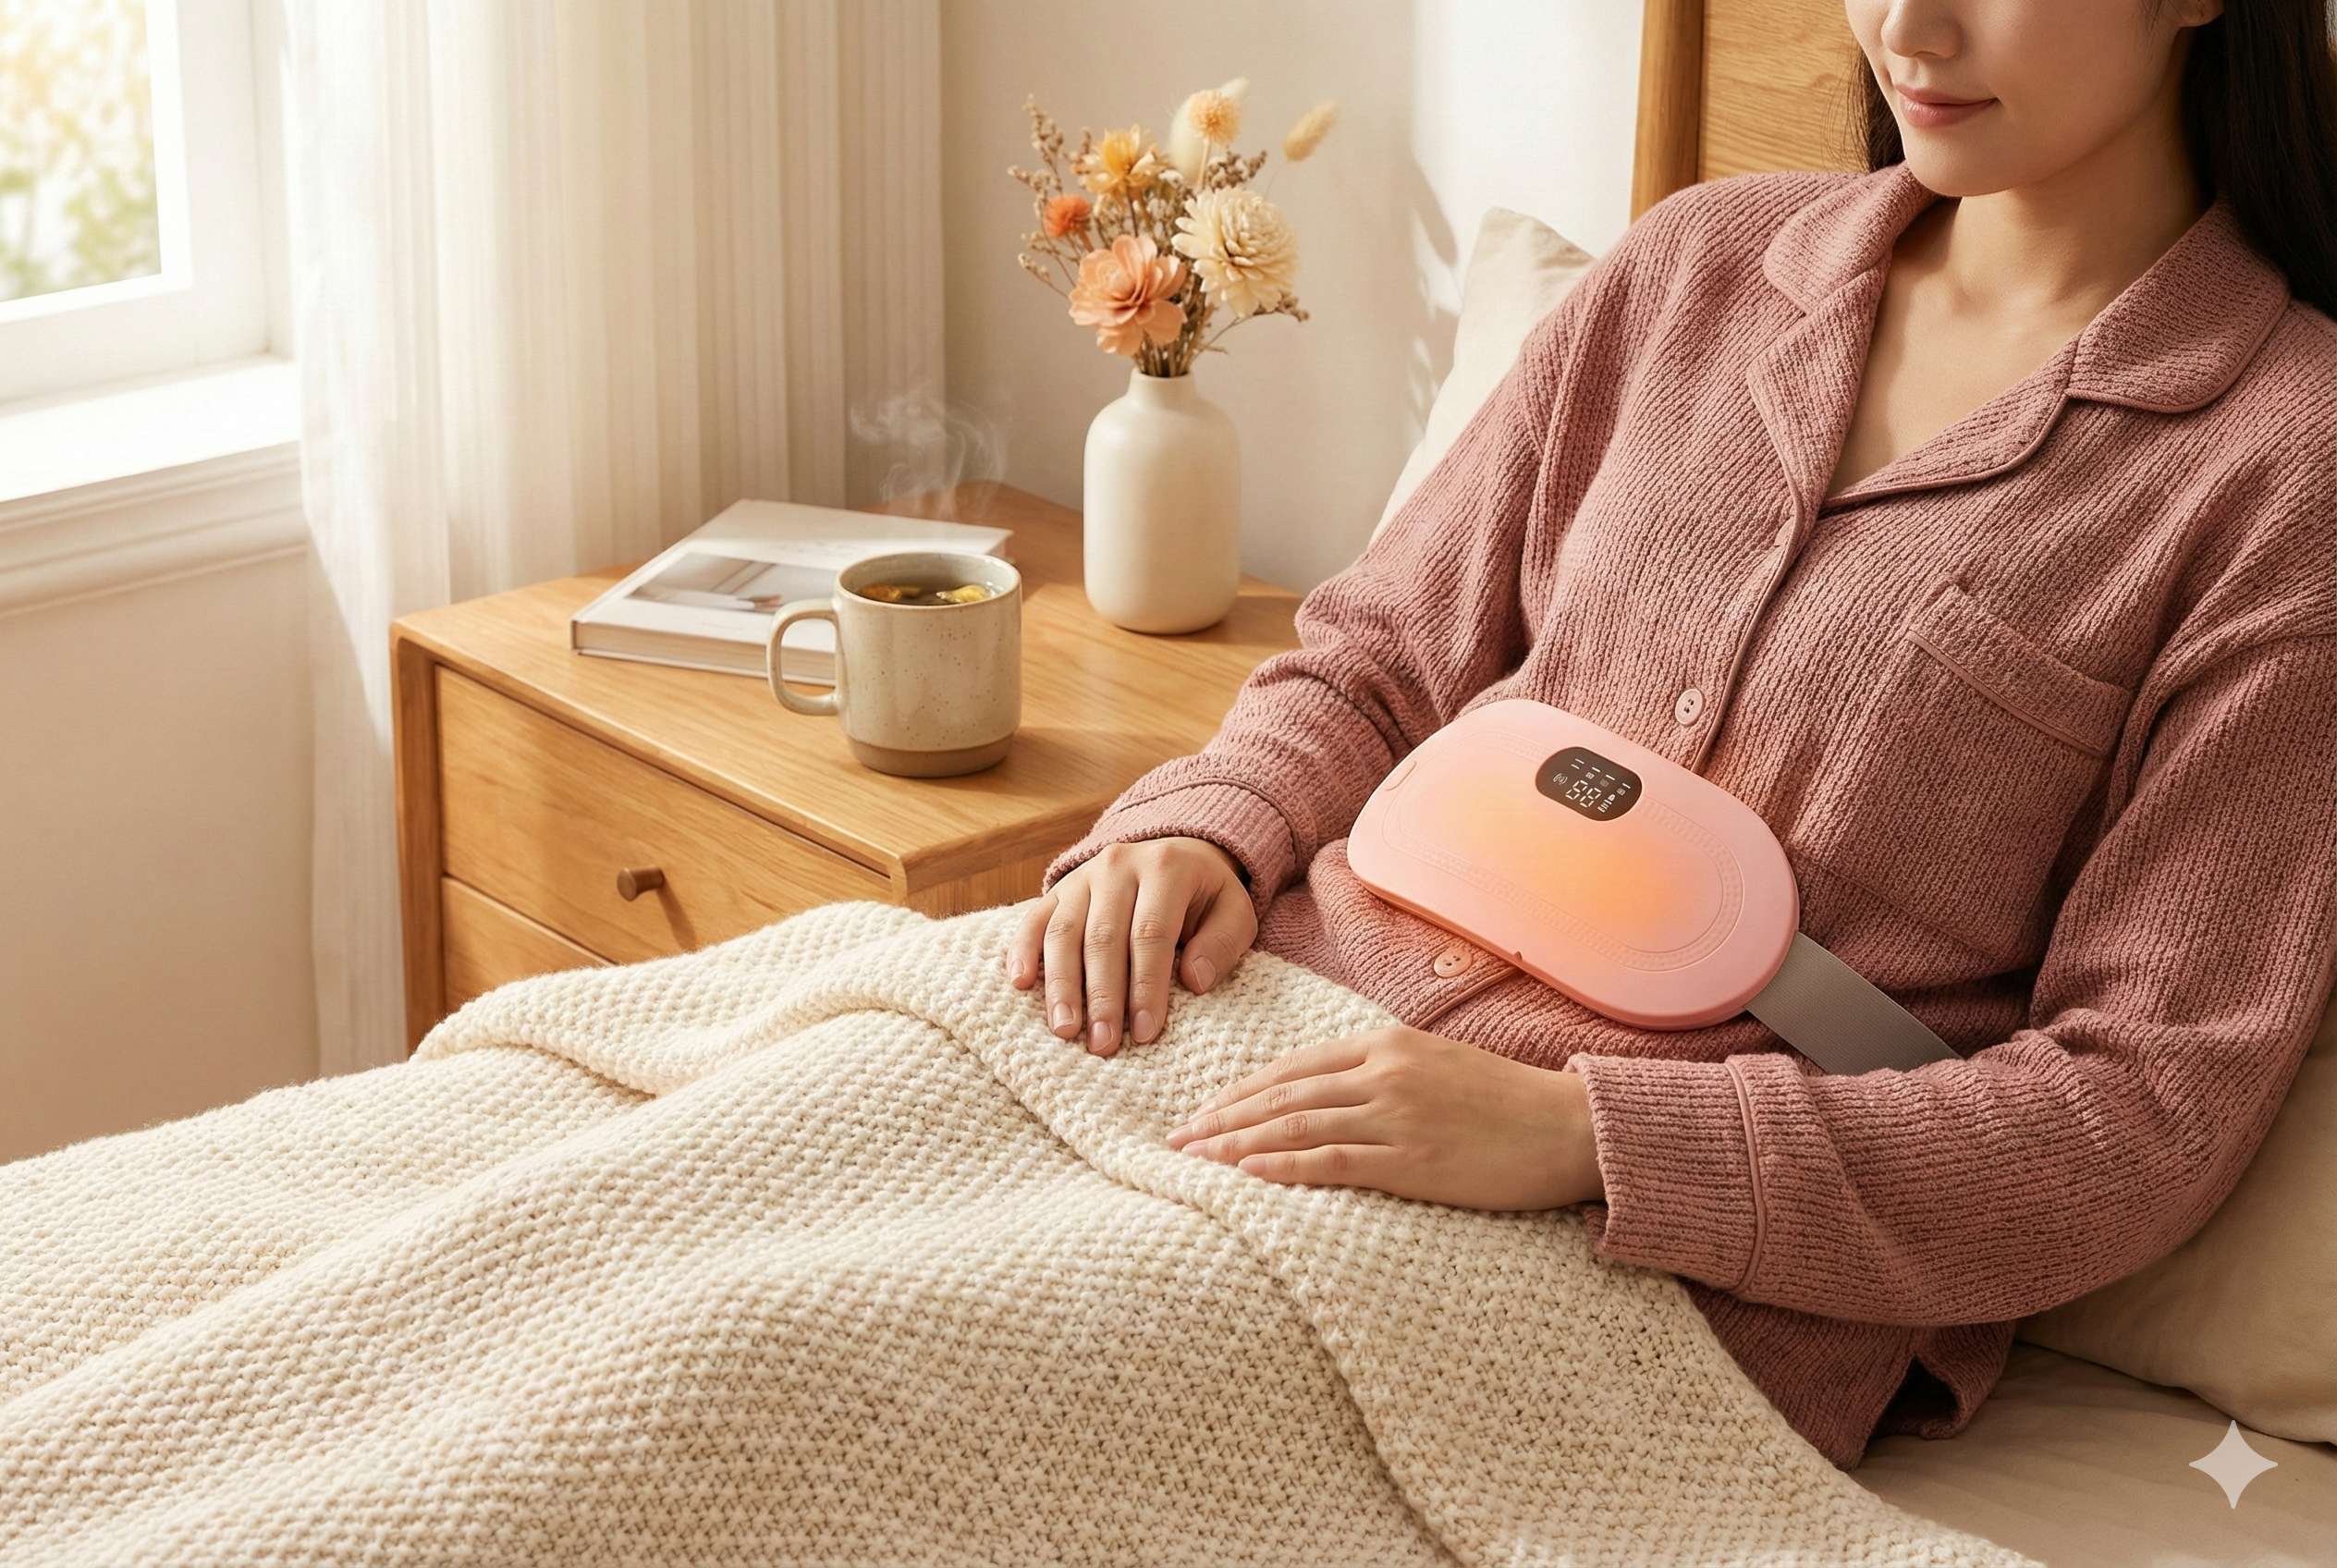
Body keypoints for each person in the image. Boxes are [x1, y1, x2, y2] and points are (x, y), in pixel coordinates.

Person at [1008, 0, 2337, 1468]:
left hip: (1647, 1272)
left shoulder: (2289, 468)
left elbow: (2138, 1115)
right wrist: (1206, 817)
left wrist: (1591, 1139)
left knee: (784, 1378)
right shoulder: (1697, 264)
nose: (1906, 26)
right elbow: (1386, 657)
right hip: (1266, 1008)